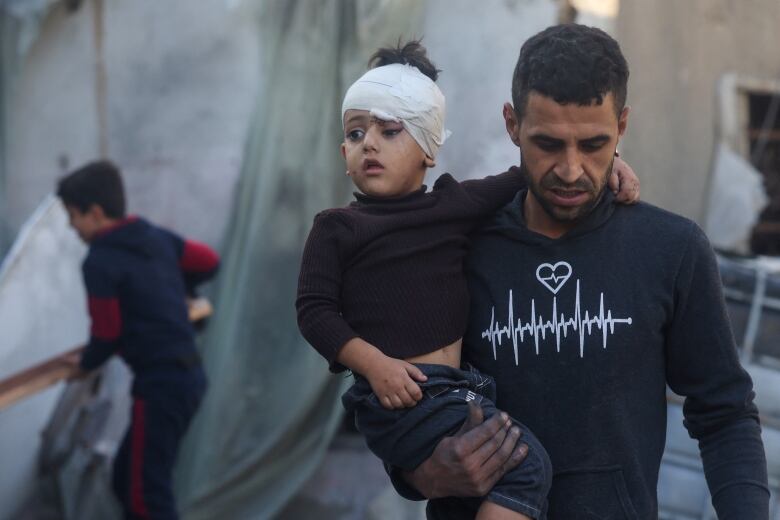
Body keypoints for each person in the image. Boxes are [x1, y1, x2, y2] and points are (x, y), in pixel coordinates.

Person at [392, 24, 770, 520]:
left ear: (623, 126)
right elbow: (402, 399)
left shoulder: (670, 249)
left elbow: (724, 413)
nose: (571, 170)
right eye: (548, 143)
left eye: (593, 144)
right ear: (512, 124)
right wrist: (421, 472)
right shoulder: (457, 248)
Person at [296, 41, 639, 519]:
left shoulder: (453, 206)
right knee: (526, 466)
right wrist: (375, 366)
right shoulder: (337, 227)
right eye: (355, 134)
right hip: (404, 393)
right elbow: (314, 311)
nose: (368, 143)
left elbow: (536, 173)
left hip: (458, 388)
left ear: (429, 150)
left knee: (498, 474)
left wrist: (610, 163)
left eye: (390, 131)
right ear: (343, 151)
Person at [57, 160, 219, 520]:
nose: (71, 227)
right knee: (126, 480)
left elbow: (107, 333)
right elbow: (208, 261)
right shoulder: (153, 236)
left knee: (146, 498)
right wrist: (180, 290)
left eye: (72, 216)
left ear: (95, 213)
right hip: (189, 380)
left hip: (161, 385)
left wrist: (83, 366)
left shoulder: (99, 261)